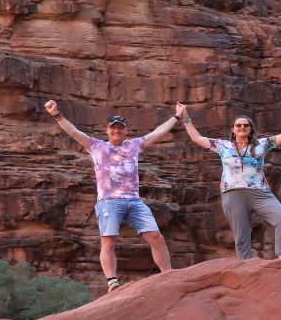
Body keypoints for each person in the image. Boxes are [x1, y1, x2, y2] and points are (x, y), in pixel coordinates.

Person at [43, 99, 183, 292]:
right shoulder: (96, 146)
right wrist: (56, 113)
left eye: (120, 128)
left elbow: (158, 132)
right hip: (109, 201)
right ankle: (112, 282)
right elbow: (73, 131)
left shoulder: (134, 145)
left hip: (134, 201)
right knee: (108, 242)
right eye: (113, 128)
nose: (116, 131)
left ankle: (167, 274)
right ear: (107, 130)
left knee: (156, 236)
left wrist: (176, 116)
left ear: (126, 131)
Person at [177, 102, 281, 260]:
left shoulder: (262, 144)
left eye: (246, 126)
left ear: (250, 129)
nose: (242, 127)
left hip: (260, 192)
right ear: (233, 129)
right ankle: (245, 267)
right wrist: (185, 117)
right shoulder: (223, 146)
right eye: (238, 125)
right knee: (242, 235)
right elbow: (196, 138)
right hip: (233, 194)